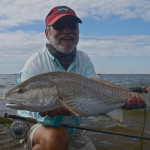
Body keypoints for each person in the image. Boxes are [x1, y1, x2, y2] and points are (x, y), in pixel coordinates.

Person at [17, 6, 147, 150]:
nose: (67, 31)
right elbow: (29, 109)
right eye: (59, 26)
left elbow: (98, 94)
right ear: (47, 33)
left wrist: (125, 100)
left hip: (74, 132)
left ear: (78, 31)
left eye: (72, 25)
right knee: (56, 137)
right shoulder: (34, 63)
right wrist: (48, 113)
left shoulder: (84, 59)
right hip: (35, 127)